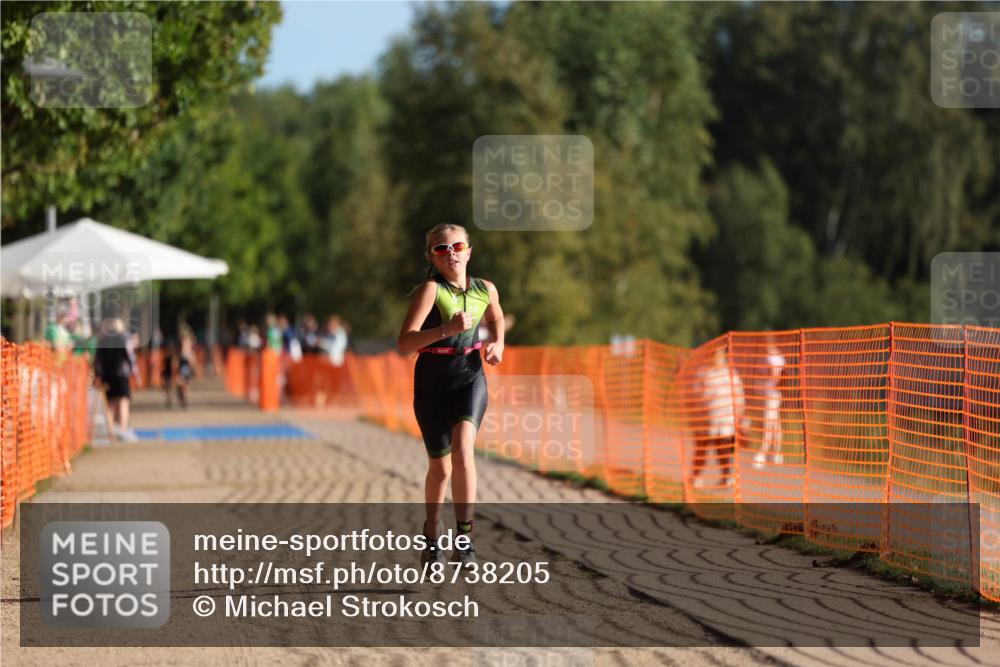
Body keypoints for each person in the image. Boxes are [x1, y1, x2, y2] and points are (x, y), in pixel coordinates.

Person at [397, 223, 505, 566]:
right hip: (432, 381)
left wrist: (498, 342)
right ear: (433, 257)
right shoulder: (431, 290)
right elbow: (404, 344)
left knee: (463, 451)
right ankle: (431, 533)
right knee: (441, 470)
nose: (452, 253)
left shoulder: (485, 288)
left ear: (469, 251)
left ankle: (465, 538)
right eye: (442, 249)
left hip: (470, 375)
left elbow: (496, 314)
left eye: (457, 246)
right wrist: (446, 330)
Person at [93, 317, 138, 442]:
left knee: (110, 404)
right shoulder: (122, 339)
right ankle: (123, 430)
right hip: (121, 375)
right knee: (123, 402)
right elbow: (127, 357)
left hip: (106, 375)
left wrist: (97, 375)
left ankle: (111, 431)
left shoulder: (102, 340)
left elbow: (97, 360)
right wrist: (133, 371)